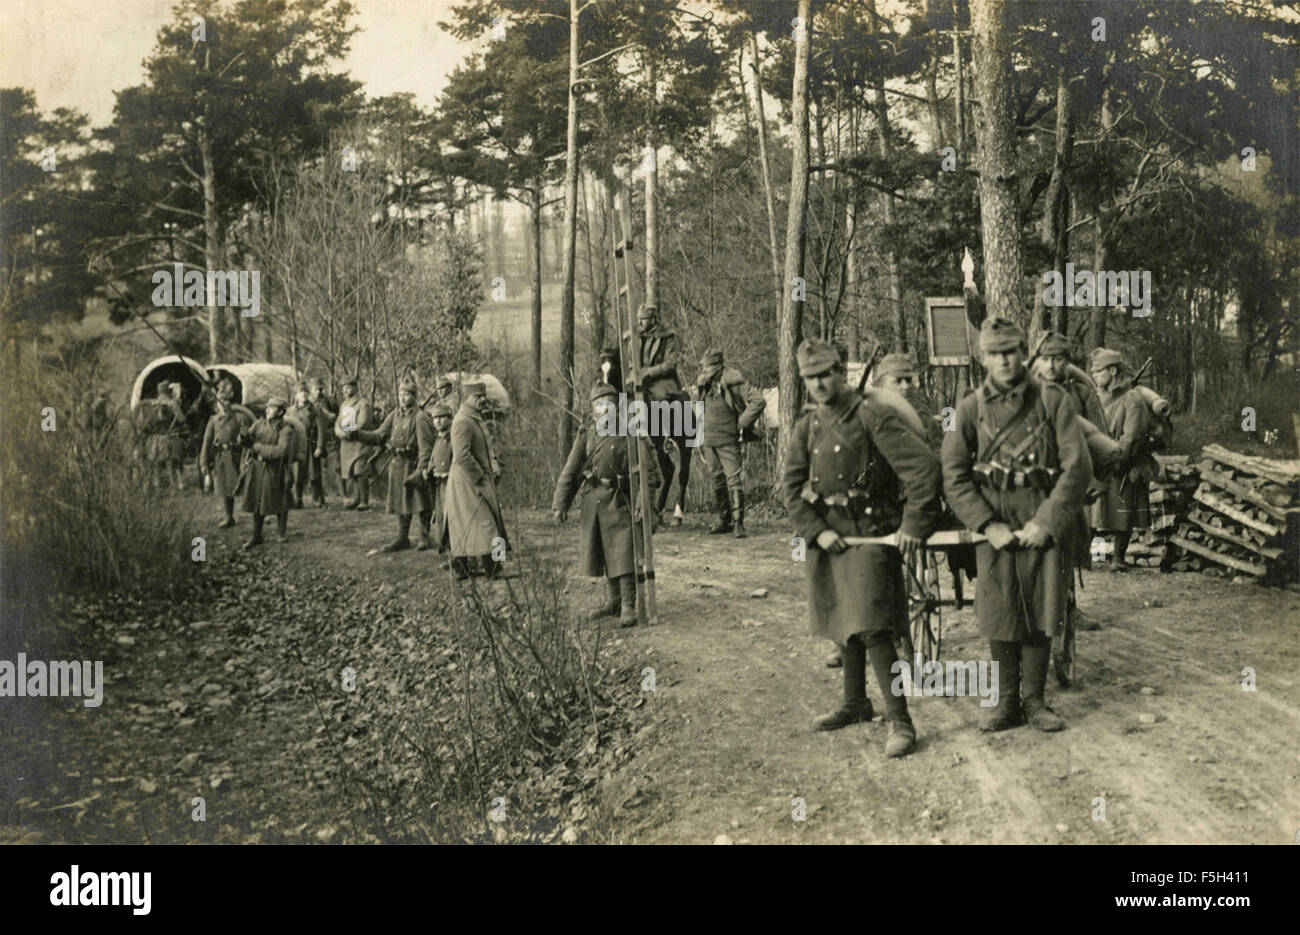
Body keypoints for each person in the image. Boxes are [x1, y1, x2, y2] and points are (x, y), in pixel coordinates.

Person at [783, 339, 942, 757]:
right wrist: (815, 532)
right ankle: (855, 703)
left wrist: (912, 525)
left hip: (872, 534)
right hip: (830, 538)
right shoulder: (807, 426)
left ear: (840, 373)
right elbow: (790, 489)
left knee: (872, 626)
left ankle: (900, 719)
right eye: (810, 378)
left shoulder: (872, 416)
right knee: (841, 622)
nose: (819, 384)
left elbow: (923, 470)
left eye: (825, 375)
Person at [941, 318, 1092, 732]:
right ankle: (1007, 701)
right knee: (999, 605)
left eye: (1010, 352)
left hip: (1041, 514)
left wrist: (1048, 522)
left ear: (1023, 352)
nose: (1004, 361)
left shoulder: (1053, 400)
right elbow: (953, 475)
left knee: (1043, 605)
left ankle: (1035, 701)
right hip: (996, 521)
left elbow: (1077, 467)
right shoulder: (968, 409)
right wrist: (986, 525)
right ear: (983, 358)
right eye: (994, 354)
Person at [552, 382, 662, 627]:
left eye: (609, 404)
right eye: (599, 405)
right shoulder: (587, 434)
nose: (604, 409)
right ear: (592, 410)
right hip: (594, 498)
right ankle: (614, 601)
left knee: (623, 551)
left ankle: (628, 605)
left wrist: (644, 500)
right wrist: (561, 503)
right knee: (603, 549)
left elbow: (649, 472)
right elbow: (571, 469)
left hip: (620, 498)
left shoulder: (630, 431)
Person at [1089, 347, 1158, 572]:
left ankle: (1118, 558)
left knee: (1122, 510)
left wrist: (1113, 457)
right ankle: (1095, 557)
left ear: (1112, 371)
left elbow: (1131, 435)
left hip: (1123, 463)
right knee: (1094, 514)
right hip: (1098, 460)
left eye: (1098, 370)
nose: (1093, 374)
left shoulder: (1132, 398)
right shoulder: (1096, 398)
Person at [349, 378, 437, 552]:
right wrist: (356, 434)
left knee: (422, 502)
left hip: (414, 464)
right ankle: (402, 538)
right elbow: (379, 435)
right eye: (401, 394)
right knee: (401, 501)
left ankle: (424, 537)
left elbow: (426, 449)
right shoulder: (395, 414)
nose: (403, 397)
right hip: (397, 464)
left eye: (408, 394)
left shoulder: (420, 417)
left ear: (415, 396)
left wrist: (421, 471)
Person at [693, 349, 766, 537]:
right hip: (709, 439)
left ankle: (738, 524)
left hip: (728, 438)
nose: (704, 370)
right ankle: (723, 520)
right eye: (703, 367)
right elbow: (699, 408)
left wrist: (741, 424)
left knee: (733, 479)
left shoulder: (733, 380)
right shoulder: (704, 383)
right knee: (717, 478)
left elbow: (758, 401)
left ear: (718, 366)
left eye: (707, 367)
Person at [630, 304, 692, 527]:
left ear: (653, 319)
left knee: (663, 400)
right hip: (640, 383)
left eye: (643, 320)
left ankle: (667, 436)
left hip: (662, 382)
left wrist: (648, 372)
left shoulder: (669, 337)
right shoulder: (635, 337)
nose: (640, 323)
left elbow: (670, 363)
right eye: (639, 319)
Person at [446, 381, 509, 580]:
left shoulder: (475, 418)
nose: (482, 400)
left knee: (486, 524)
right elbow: (462, 455)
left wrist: (495, 468)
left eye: (483, 396)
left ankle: (492, 567)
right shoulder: (462, 421)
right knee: (482, 525)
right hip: (467, 483)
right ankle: (476, 568)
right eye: (477, 397)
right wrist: (480, 477)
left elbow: (487, 448)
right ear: (467, 398)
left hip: (477, 480)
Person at [239, 395, 296, 548]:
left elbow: (281, 451)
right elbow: (247, 442)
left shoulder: (285, 429)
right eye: (268, 407)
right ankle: (256, 535)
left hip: (275, 469)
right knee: (257, 501)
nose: (267, 410)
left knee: (280, 501)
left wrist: (257, 447)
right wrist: (243, 437)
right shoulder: (258, 424)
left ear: (280, 412)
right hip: (256, 468)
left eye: (272, 408)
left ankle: (281, 533)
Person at [199, 379, 251, 528]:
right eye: (221, 401)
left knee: (244, 485)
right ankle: (229, 517)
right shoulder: (213, 421)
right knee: (224, 488)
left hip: (236, 457)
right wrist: (204, 462)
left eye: (227, 400)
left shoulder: (240, 417)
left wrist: (244, 438)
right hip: (221, 457)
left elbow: (249, 439)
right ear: (216, 404)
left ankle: (256, 514)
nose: (224, 404)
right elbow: (206, 443)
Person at [874, 353, 946, 451]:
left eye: (908, 380)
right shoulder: (869, 419)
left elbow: (939, 455)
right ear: (881, 385)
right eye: (898, 381)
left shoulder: (923, 420)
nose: (906, 386)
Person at [334, 375, 373, 511]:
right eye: (343, 388)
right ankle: (356, 498)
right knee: (351, 471)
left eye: (348, 387)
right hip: (346, 444)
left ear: (355, 387)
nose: (345, 391)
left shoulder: (363, 404)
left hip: (359, 442)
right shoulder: (344, 405)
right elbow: (338, 422)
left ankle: (364, 500)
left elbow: (362, 423)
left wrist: (350, 432)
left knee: (360, 470)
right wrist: (339, 431)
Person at [288, 381, 329, 508]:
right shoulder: (290, 411)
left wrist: (320, 447)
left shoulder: (315, 409)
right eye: (301, 392)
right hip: (296, 445)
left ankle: (318, 498)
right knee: (297, 472)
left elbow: (322, 430)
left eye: (306, 392)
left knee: (314, 473)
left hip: (311, 444)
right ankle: (298, 499)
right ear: (296, 395)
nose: (304, 395)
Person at [425, 402, 454, 554]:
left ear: (450, 419)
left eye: (442, 417)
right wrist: (429, 470)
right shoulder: (438, 440)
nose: (438, 421)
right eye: (435, 418)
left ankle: (459, 558)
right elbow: (433, 459)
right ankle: (450, 555)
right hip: (440, 486)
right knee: (442, 519)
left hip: (453, 486)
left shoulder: (454, 438)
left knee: (453, 520)